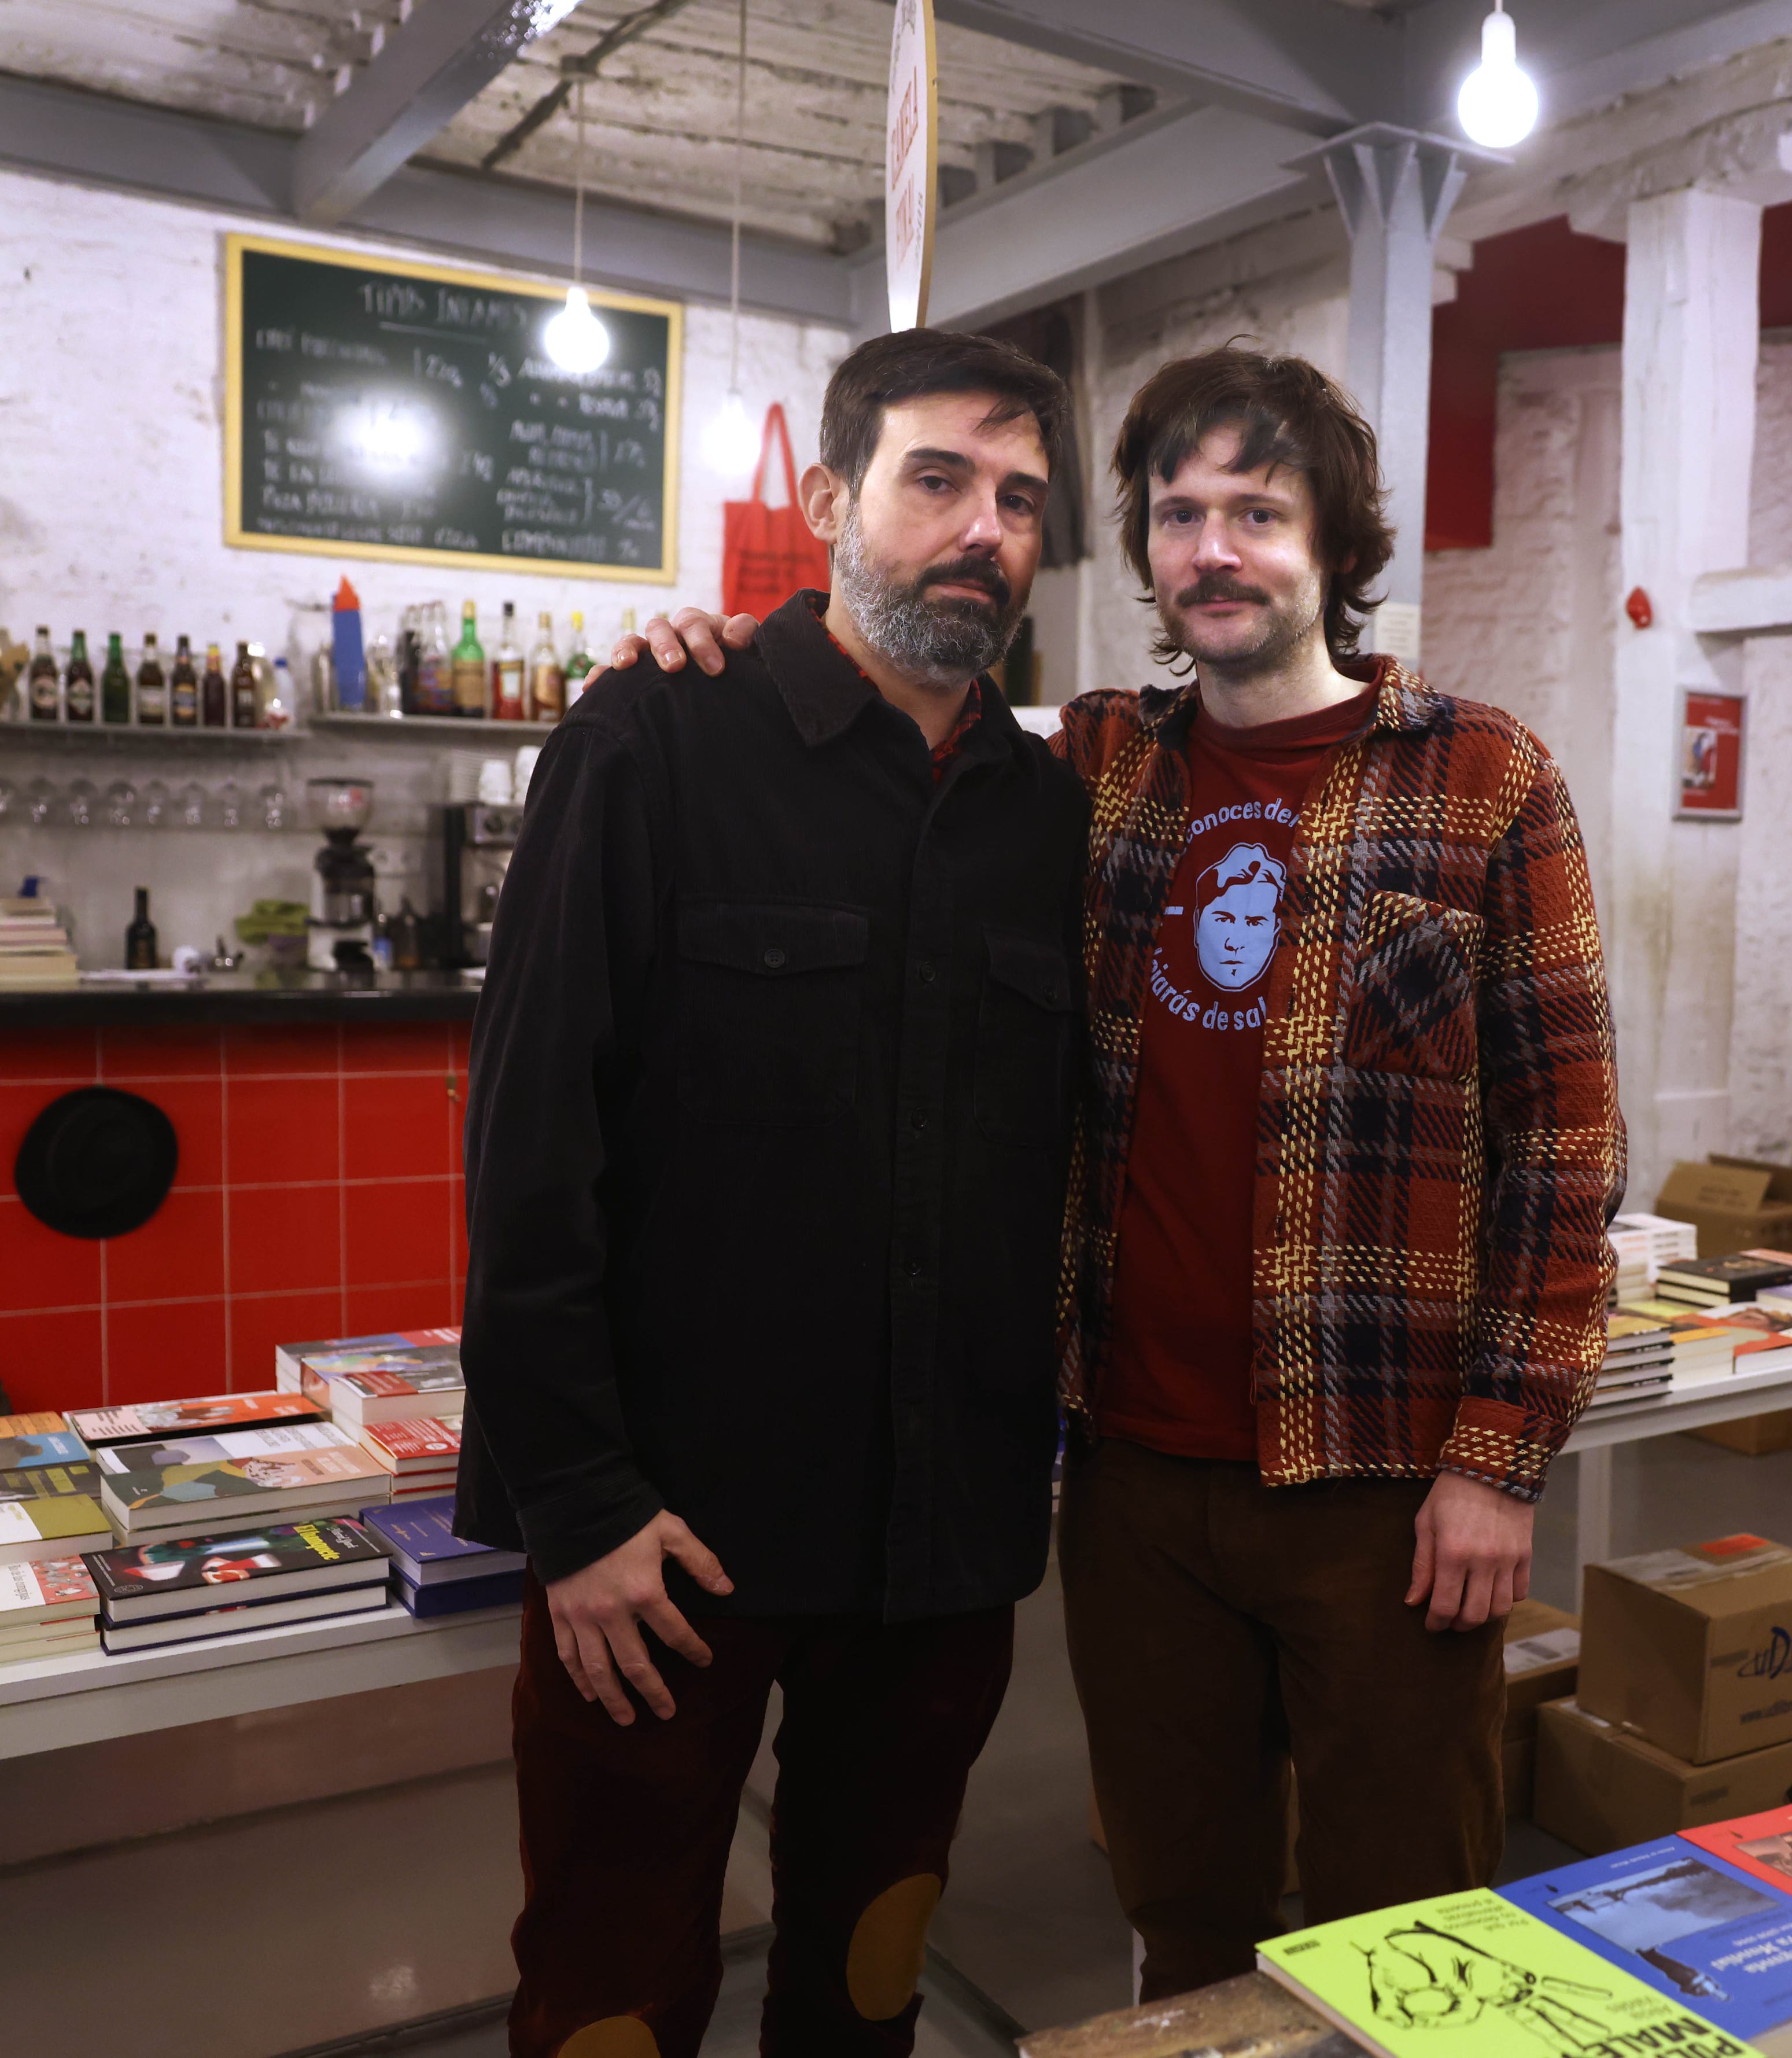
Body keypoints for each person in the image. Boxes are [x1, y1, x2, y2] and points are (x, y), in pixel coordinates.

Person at [617, 344, 1624, 1999]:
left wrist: (1502, 1459)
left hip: (1381, 1484)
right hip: (1135, 1483)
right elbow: (884, 699)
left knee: (1409, 1935)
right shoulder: (1085, 767)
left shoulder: (1483, 778)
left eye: (1258, 510)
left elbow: (1566, 1146)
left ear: (1335, 543)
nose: (1213, 550)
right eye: (1177, 515)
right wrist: (715, 655)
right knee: (1180, 1910)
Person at [459, 326, 1087, 2058]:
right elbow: (527, 1154)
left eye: (1021, 498)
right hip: (669, 1543)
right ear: (829, 501)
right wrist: (574, 1501)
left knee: (869, 1973)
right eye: (938, 479)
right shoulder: (654, 742)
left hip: (938, 1537)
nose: (983, 528)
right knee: (611, 1986)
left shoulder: (1053, 814)